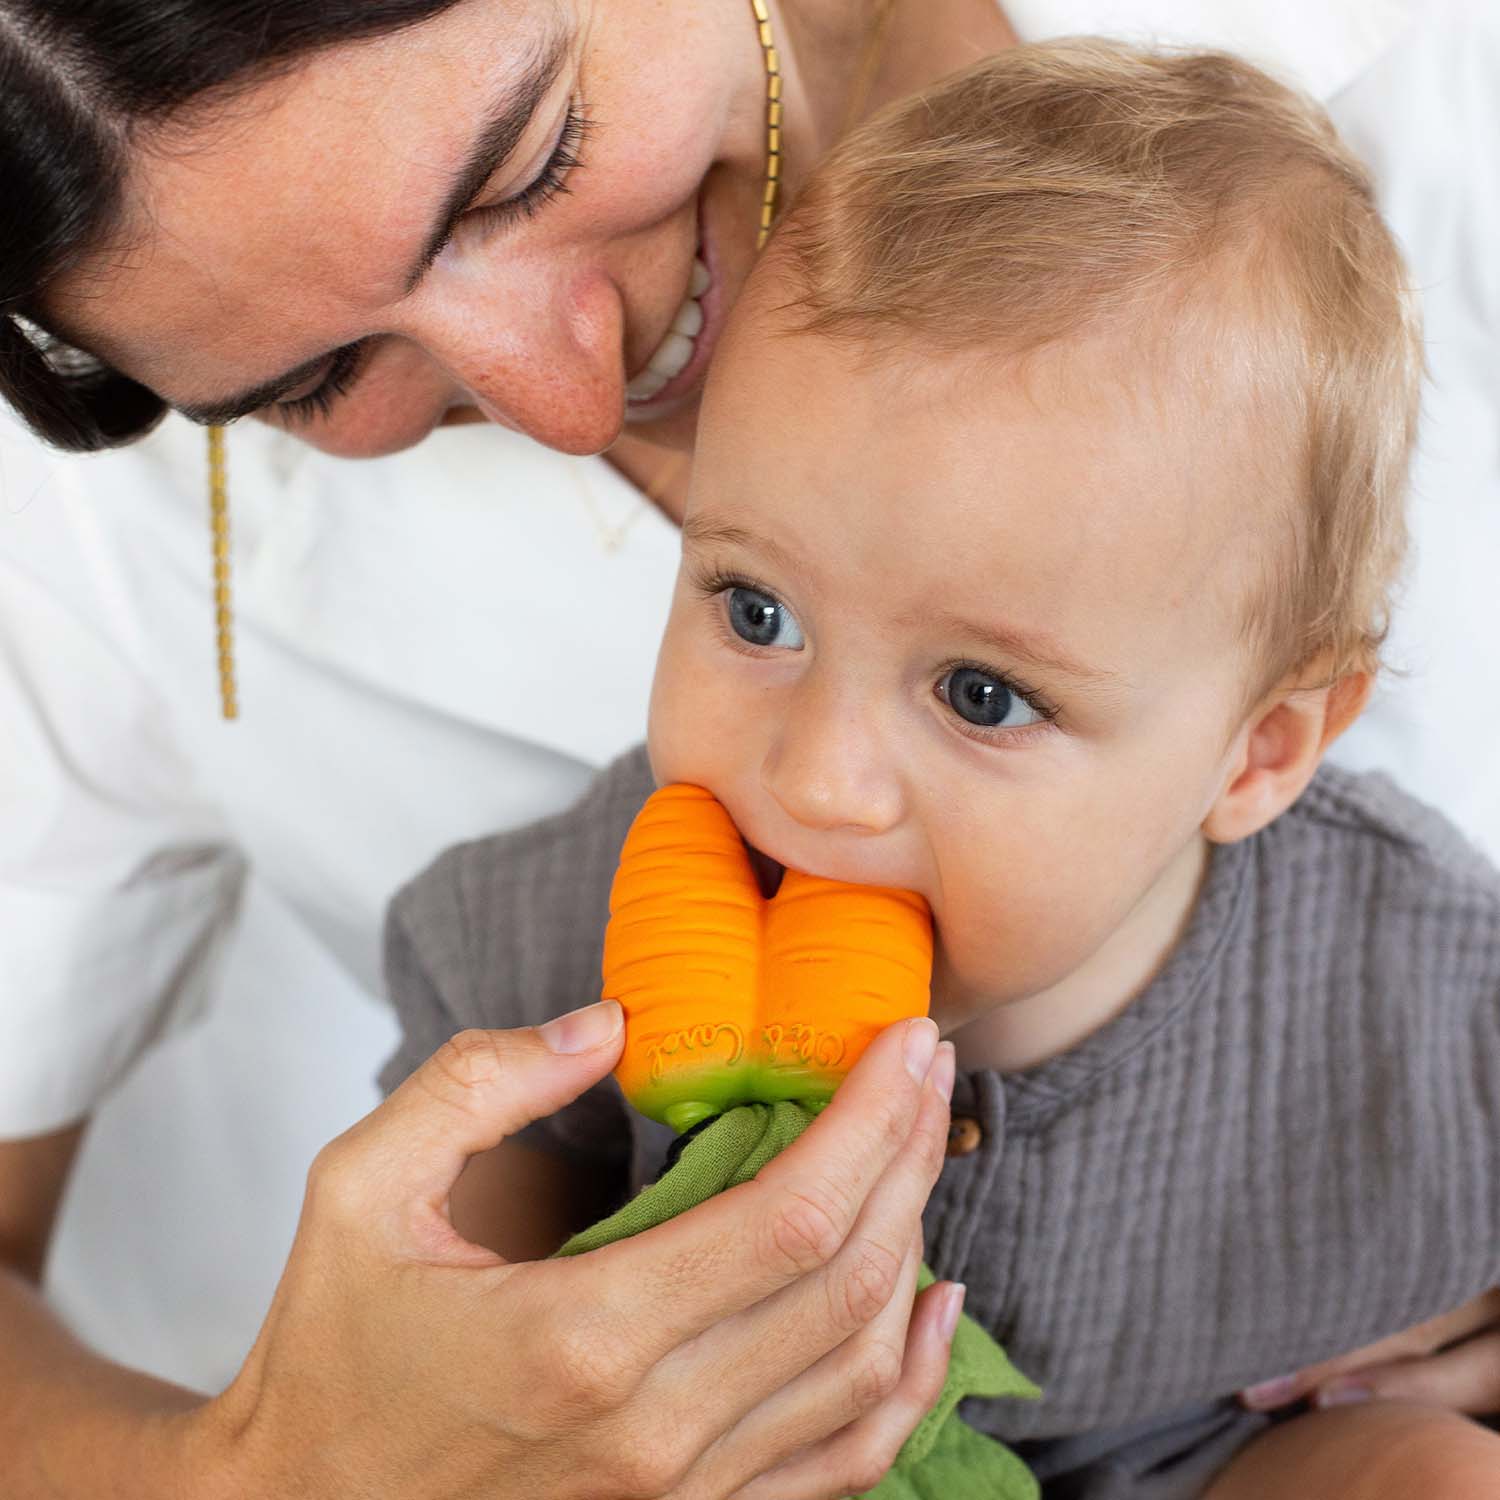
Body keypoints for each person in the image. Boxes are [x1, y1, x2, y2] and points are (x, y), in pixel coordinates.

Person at [0, 0, 1496, 1489]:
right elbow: (466, 1327)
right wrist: (325, 1450)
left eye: (530, 160)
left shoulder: (1428, 967)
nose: (572, 407)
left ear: (1265, 750)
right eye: (754, 610)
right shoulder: (531, 946)